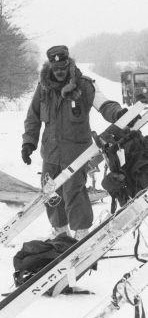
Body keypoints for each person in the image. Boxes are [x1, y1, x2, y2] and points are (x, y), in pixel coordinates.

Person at [22, 45, 126, 240]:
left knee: (74, 192)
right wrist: (28, 143)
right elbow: (33, 117)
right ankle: (60, 232)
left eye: (63, 67)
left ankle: (81, 233)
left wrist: (117, 113)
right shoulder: (43, 89)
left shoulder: (84, 85)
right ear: (50, 68)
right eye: (55, 69)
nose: (60, 72)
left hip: (76, 153)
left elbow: (104, 104)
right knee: (51, 193)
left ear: (68, 64)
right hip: (51, 152)